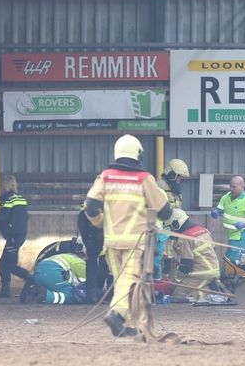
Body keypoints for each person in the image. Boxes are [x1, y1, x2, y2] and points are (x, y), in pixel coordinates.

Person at [85, 134, 173, 338]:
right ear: (137, 154)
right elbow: (165, 211)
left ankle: (125, 324)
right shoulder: (144, 179)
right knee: (129, 279)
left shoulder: (105, 177)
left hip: (111, 241)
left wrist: (100, 222)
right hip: (135, 241)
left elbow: (90, 206)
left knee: (122, 282)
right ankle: (116, 315)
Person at [0, 174, 33, 299]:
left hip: (14, 237)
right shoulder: (20, 198)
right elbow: (26, 216)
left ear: (5, 185)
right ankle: (5, 291)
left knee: (8, 264)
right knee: (4, 263)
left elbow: (3, 216)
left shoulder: (8, 198)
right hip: (19, 235)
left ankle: (29, 278)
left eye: (1, 185)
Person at [163, 208, 225, 303]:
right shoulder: (203, 230)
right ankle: (211, 289)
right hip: (214, 270)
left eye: (170, 228)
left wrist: (177, 281)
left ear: (176, 224)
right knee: (192, 287)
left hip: (199, 274)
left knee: (179, 294)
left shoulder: (184, 238)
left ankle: (209, 294)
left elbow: (186, 264)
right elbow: (213, 250)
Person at [211, 176, 245, 270]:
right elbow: (220, 209)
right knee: (240, 258)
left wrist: (244, 225)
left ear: (242, 187)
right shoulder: (226, 197)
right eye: (230, 186)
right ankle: (244, 277)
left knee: (230, 259)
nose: (231, 189)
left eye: (234, 187)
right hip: (232, 234)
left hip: (241, 234)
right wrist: (216, 212)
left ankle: (224, 278)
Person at [154, 158, 190, 280]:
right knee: (163, 260)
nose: (180, 180)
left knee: (175, 260)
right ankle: (161, 284)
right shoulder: (159, 186)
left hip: (175, 232)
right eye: (178, 176)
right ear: (171, 174)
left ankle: (172, 285)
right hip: (162, 233)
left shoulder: (176, 188)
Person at [76, 204, 108, 304]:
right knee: (95, 266)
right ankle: (94, 295)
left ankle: (95, 295)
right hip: (95, 240)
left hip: (97, 240)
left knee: (98, 266)